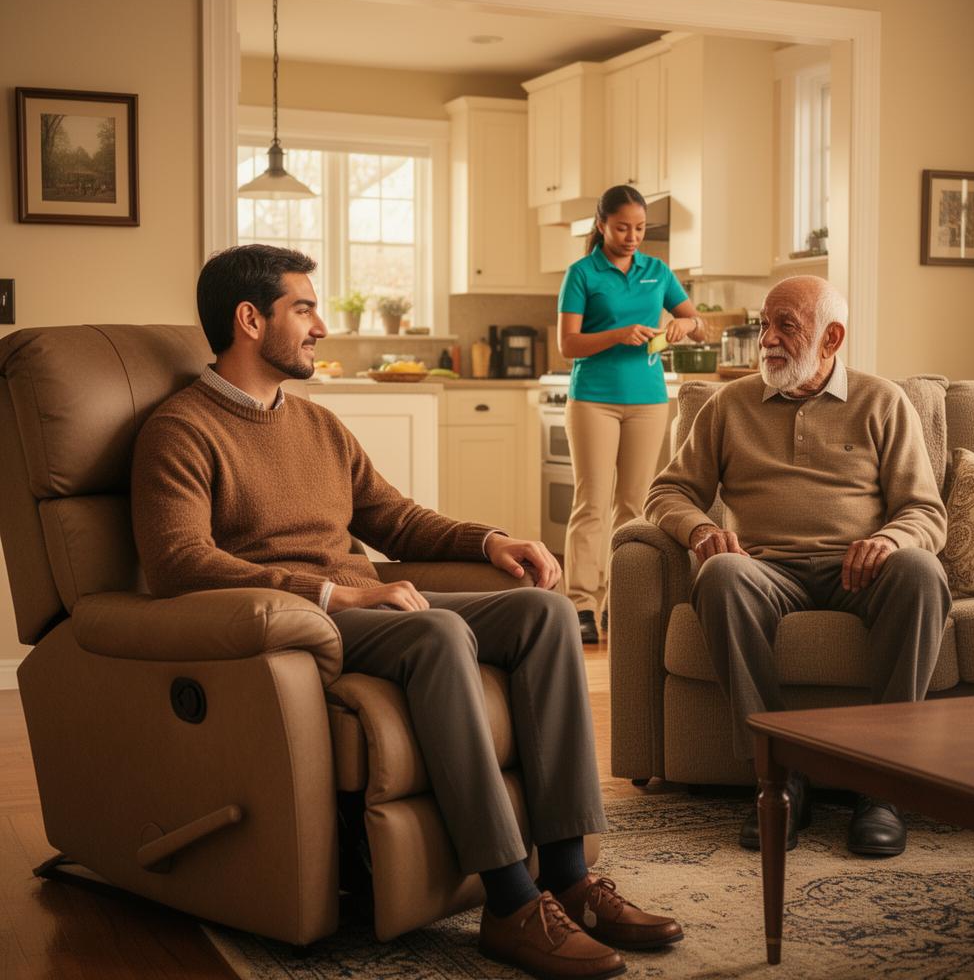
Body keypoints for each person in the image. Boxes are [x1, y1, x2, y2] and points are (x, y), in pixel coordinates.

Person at [131, 244, 682, 980]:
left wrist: (491, 541)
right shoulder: (181, 430)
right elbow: (177, 561)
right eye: (304, 308)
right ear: (249, 320)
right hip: (297, 622)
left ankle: (568, 875)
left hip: (358, 604)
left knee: (543, 614)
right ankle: (511, 900)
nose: (321, 325)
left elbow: (396, 519)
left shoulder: (318, 426)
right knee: (437, 629)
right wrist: (337, 594)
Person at [644, 275, 951, 857]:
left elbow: (924, 512)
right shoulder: (726, 406)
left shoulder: (882, 401)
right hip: (767, 570)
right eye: (765, 324)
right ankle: (780, 778)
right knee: (720, 575)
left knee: (920, 572)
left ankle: (881, 785)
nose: (768, 339)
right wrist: (704, 530)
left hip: (861, 570)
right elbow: (667, 493)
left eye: (787, 326)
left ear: (832, 338)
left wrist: (889, 541)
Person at [558, 185, 704, 644]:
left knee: (636, 504)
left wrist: (684, 325)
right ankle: (582, 604)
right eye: (623, 227)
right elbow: (568, 345)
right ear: (602, 225)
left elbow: (698, 326)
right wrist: (617, 334)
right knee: (592, 501)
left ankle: (623, 600)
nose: (632, 236)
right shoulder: (581, 273)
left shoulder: (657, 271)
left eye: (640, 228)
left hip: (648, 400)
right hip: (593, 400)